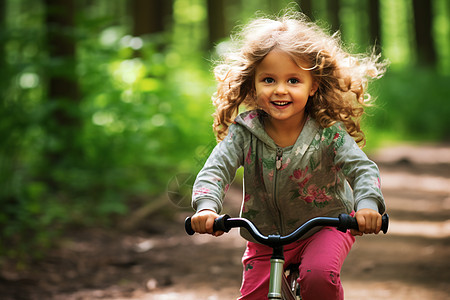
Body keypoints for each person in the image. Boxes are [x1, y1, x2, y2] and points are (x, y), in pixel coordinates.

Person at [190, 11, 387, 300]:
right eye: (268, 79)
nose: (280, 89)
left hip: (326, 226)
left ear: (313, 85)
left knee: (318, 276)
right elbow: (215, 170)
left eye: (294, 80)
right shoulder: (244, 132)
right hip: (263, 234)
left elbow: (362, 169)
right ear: (253, 83)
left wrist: (367, 205)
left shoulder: (327, 132)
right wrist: (206, 207)